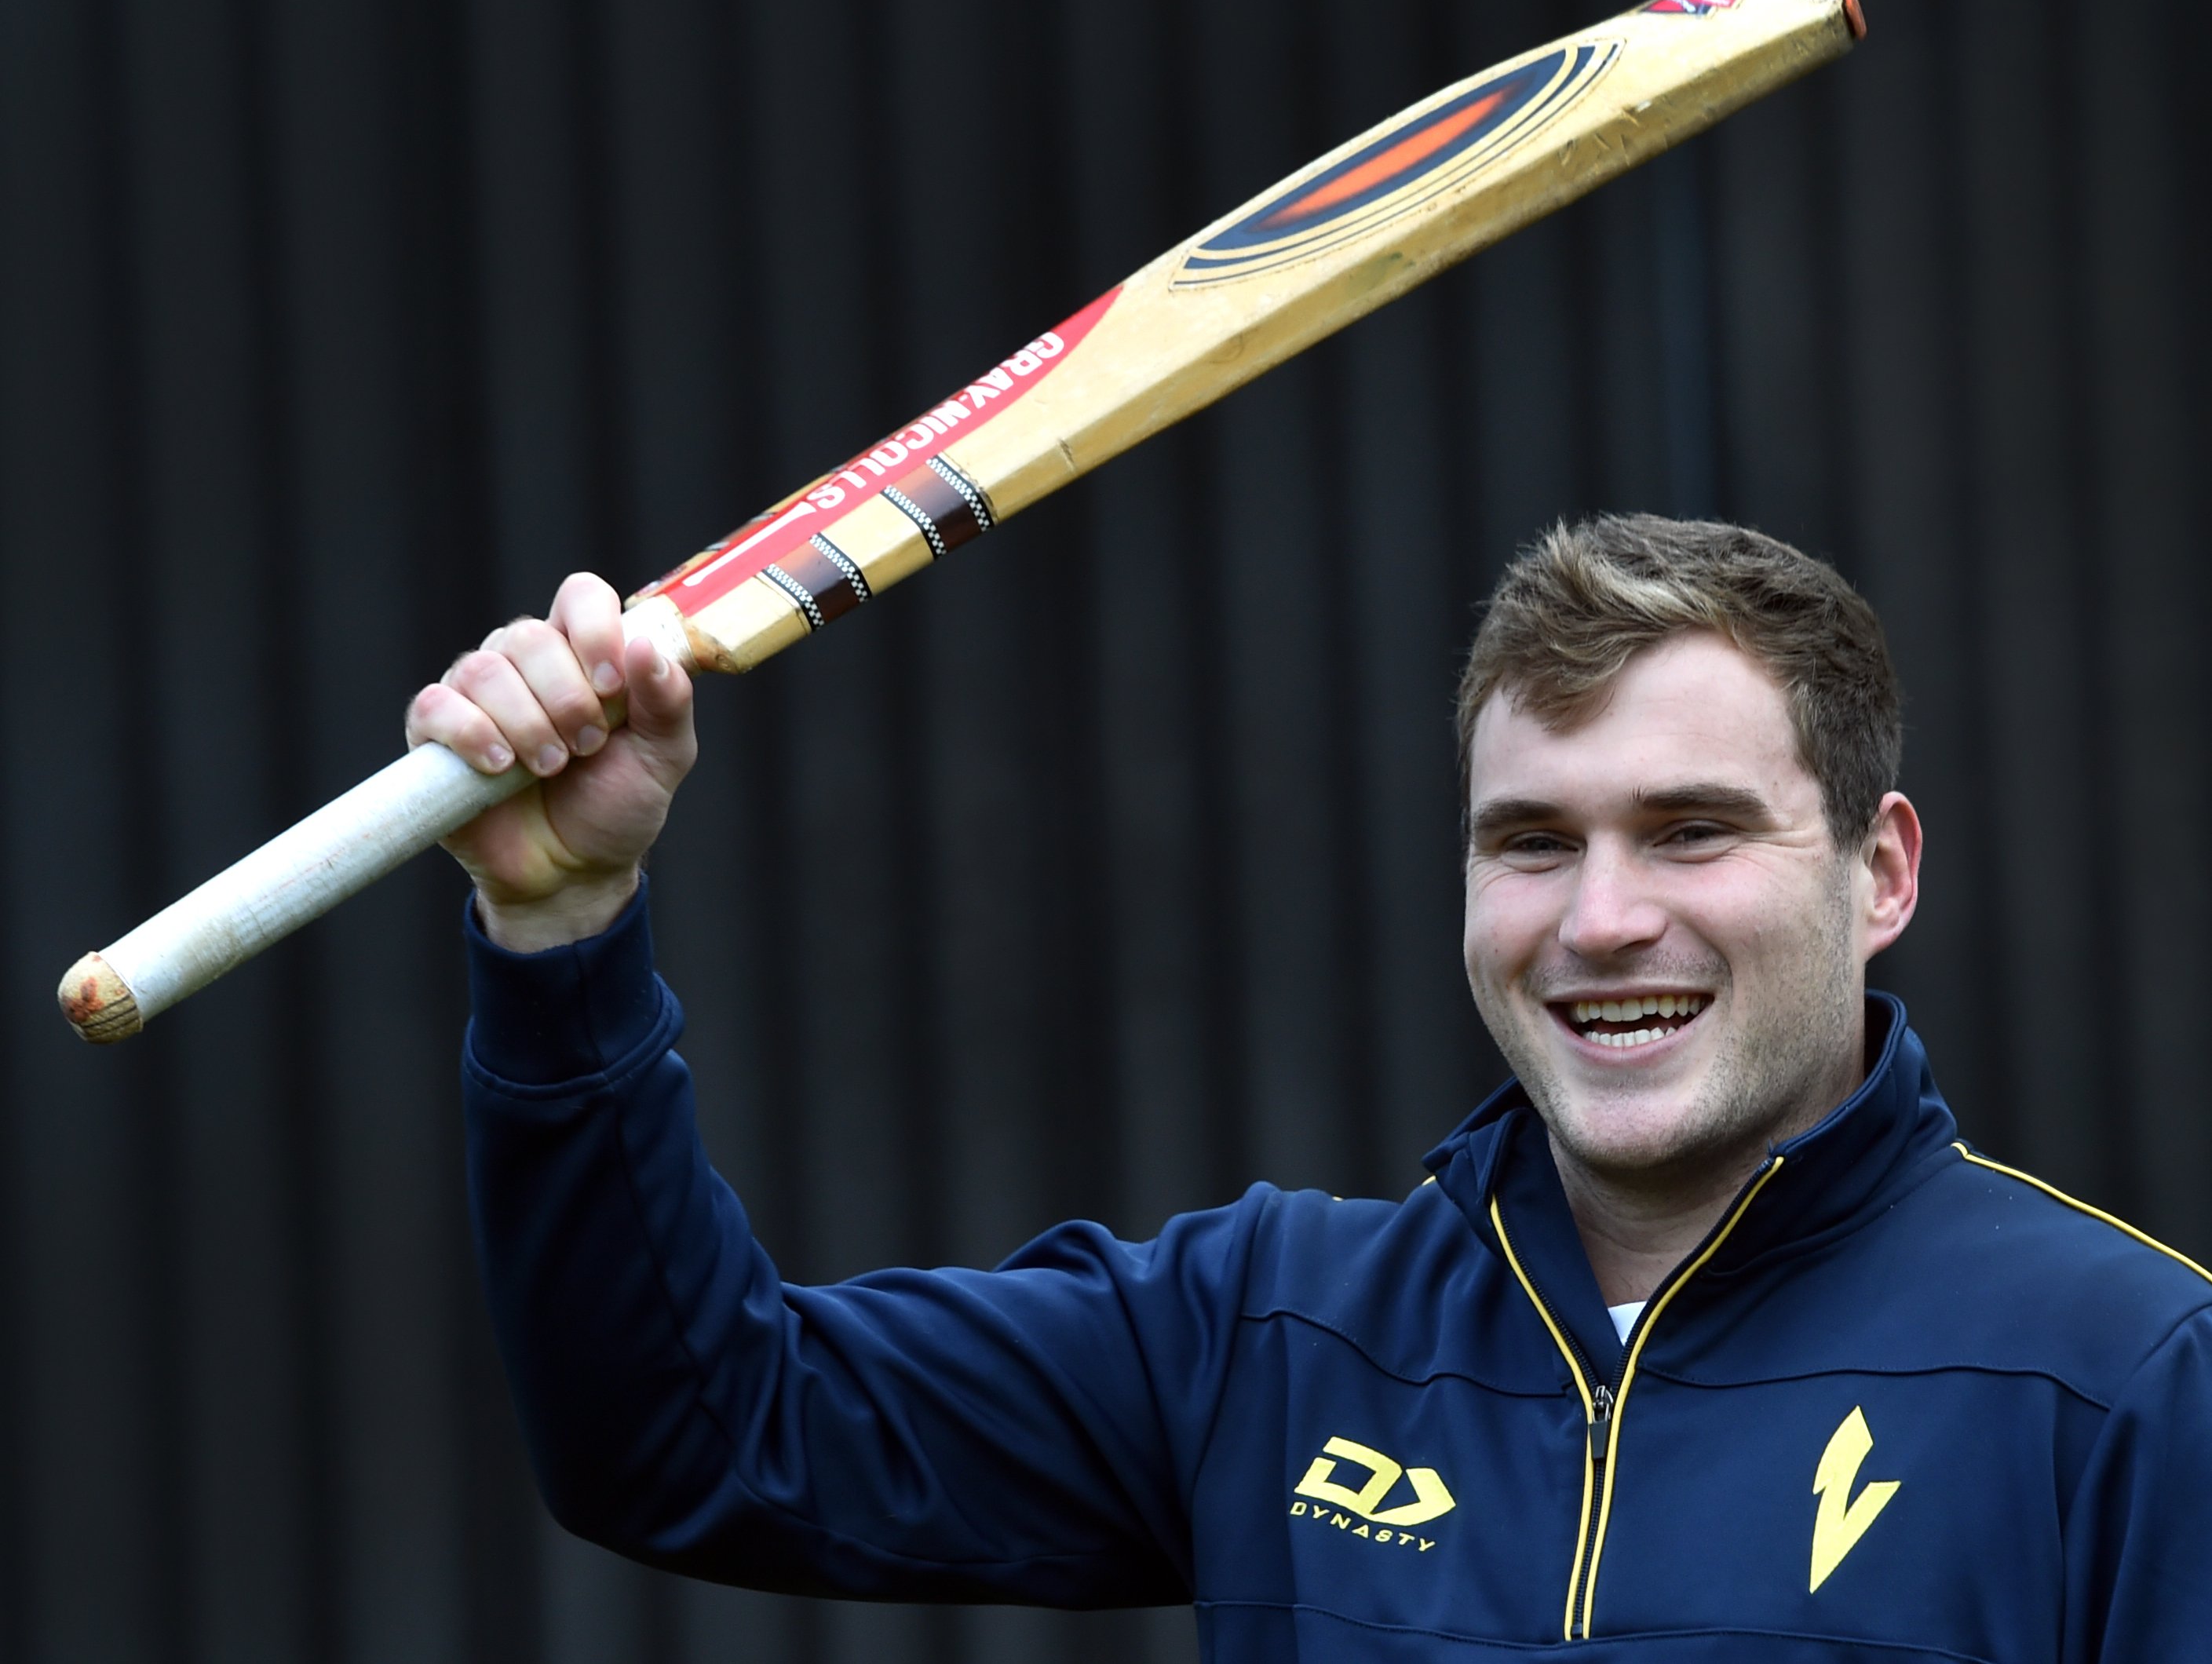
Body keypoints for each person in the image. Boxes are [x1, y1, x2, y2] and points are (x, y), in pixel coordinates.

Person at [411, 514, 2211, 1659]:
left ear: (1878, 871)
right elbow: (692, 1437)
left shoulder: (2122, 1374)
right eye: (1527, 842)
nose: (1598, 918)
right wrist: (561, 926)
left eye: (1688, 831)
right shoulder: (1269, 1334)